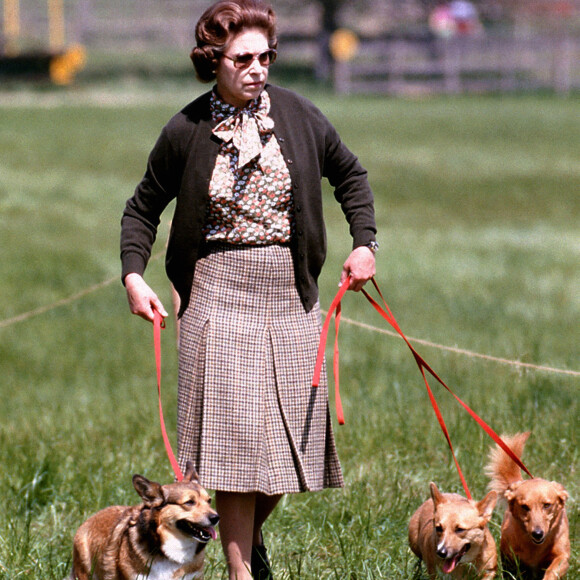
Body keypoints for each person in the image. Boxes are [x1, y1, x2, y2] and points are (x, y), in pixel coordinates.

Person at [120, 1, 377, 578]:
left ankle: (245, 541)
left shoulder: (300, 115)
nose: (257, 68)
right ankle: (242, 573)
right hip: (218, 293)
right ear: (214, 61)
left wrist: (365, 245)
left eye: (266, 57)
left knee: (287, 452)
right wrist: (134, 275)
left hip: (292, 294)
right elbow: (142, 210)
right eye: (243, 58)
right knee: (236, 451)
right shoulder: (185, 130)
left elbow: (351, 176)